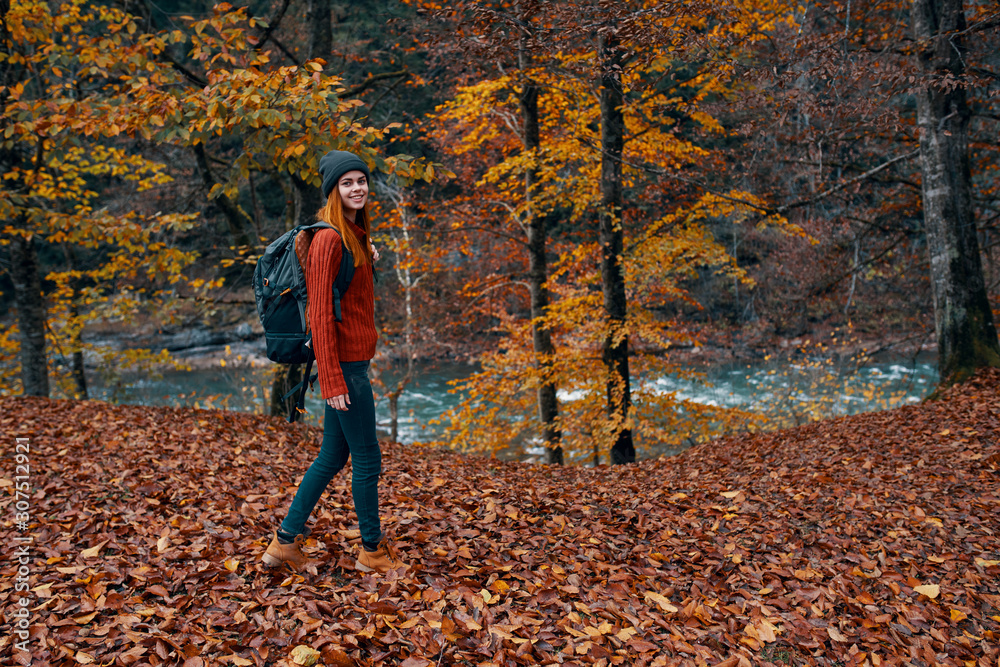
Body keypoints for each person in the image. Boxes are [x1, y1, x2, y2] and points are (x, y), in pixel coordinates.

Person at [261, 149, 406, 574]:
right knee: (367, 461)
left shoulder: (353, 237)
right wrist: (332, 380)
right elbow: (321, 314)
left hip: (351, 363)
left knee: (331, 458)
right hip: (346, 369)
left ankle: (284, 543)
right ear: (333, 190)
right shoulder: (328, 239)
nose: (357, 188)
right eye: (347, 183)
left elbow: (349, 296)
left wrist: (367, 256)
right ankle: (371, 552)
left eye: (361, 180)